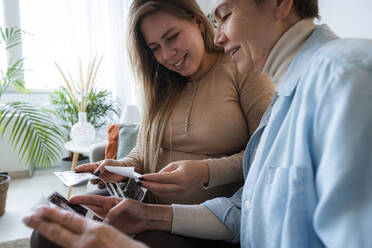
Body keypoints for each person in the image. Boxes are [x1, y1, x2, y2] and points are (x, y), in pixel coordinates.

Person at [25, 0, 372, 247]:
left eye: (224, 16)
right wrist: (127, 178)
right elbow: (244, 208)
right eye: (155, 48)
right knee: (49, 231)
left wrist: (205, 172)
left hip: (190, 217)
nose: (219, 37)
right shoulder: (289, 93)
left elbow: (253, 185)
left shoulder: (339, 76)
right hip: (156, 205)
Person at [77, 0, 273, 205]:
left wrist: (205, 171)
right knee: (64, 215)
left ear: (198, 22)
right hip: (145, 204)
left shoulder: (242, 69)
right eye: (155, 48)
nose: (167, 55)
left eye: (172, 37)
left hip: (207, 218)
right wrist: (121, 166)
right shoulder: (161, 84)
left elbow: (267, 151)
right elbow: (145, 149)